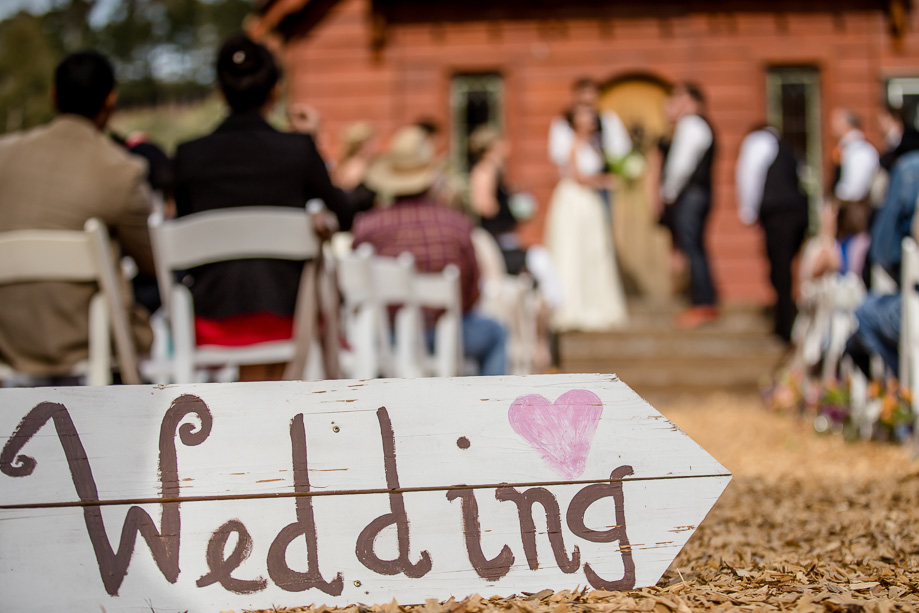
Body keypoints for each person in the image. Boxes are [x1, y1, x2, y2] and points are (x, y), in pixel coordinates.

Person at [172, 34, 353, 381]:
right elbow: (345, 217)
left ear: (221, 91)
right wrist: (315, 147)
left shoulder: (188, 155)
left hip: (212, 318)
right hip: (288, 316)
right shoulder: (297, 150)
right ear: (275, 91)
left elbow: (183, 231)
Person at [0, 51, 154, 382]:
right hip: (86, 342)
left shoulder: (3, 155)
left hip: (9, 341)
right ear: (110, 101)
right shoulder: (120, 170)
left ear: (54, 97)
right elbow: (151, 261)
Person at [352, 125, 507, 376]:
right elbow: (470, 291)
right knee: (496, 333)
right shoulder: (456, 224)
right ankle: (490, 410)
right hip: (444, 334)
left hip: (385, 337)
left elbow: (356, 286)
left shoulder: (367, 226)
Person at [544, 104, 629, 331]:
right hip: (575, 202)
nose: (590, 119)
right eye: (585, 115)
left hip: (588, 203)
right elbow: (576, 176)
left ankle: (595, 304)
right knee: (574, 251)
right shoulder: (573, 143)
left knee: (593, 252)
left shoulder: (595, 144)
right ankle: (572, 307)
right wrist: (604, 181)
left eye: (591, 115)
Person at [736, 126, 810, 342]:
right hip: (798, 212)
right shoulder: (788, 148)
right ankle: (789, 318)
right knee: (788, 267)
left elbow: (750, 176)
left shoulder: (756, 142)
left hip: (777, 214)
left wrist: (748, 212)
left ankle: (785, 325)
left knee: (780, 269)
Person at [659, 82, 718, 327]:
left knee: (692, 247)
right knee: (695, 246)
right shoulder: (697, 125)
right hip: (698, 193)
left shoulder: (692, 124)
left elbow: (681, 164)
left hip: (691, 194)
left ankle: (702, 303)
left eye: (680, 98)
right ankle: (703, 301)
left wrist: (669, 192)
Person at [548, 77, 631, 218]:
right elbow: (563, 161)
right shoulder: (562, 125)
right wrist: (599, 181)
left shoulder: (607, 120)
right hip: (576, 190)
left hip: (601, 189)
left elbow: (621, 150)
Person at [468, 124, 527, 275]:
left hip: (499, 235)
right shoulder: (487, 170)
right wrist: (510, 207)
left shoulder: (492, 170)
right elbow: (484, 206)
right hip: (496, 237)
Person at [830, 108, 879, 204]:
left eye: (836, 120)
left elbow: (855, 191)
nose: (832, 125)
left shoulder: (860, 151)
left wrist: (836, 203)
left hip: (853, 212)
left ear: (846, 124)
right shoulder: (847, 148)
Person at [333, 121, 379, 213]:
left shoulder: (350, 163)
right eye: (371, 142)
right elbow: (348, 195)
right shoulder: (357, 165)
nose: (375, 145)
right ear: (361, 145)